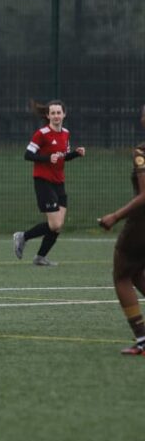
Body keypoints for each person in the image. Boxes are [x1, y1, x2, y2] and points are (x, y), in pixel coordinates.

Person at [12, 100, 85, 266]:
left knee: (57, 226)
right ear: (48, 115)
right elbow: (28, 155)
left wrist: (76, 154)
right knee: (55, 223)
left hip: (59, 182)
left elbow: (63, 156)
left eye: (59, 113)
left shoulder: (66, 133)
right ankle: (23, 236)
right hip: (43, 181)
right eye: (53, 113)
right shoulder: (42, 133)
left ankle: (40, 257)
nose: (56, 116)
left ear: (64, 114)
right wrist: (46, 158)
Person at [98, 105, 145, 355]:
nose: (142, 117)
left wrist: (114, 216)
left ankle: (142, 339)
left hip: (141, 225)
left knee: (122, 275)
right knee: (136, 272)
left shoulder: (142, 151)